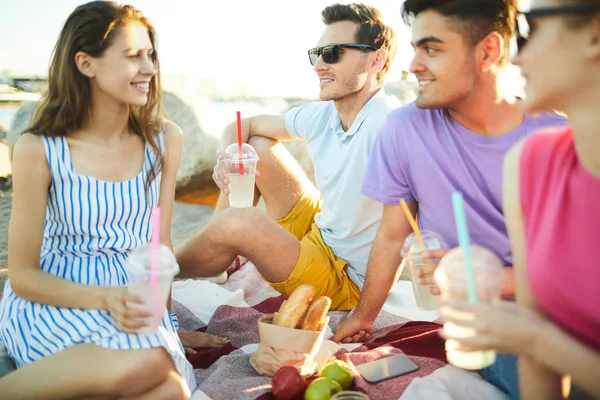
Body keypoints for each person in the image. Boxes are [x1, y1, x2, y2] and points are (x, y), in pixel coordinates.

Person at [0, 2, 224, 398]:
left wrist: (166, 320)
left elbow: (160, 246)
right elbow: (22, 275)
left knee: (172, 389)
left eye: (150, 55)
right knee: (153, 364)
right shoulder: (38, 148)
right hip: (57, 297)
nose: (150, 69)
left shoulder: (166, 140)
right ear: (86, 64)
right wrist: (107, 298)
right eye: (133, 56)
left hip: (134, 302)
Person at [331, 0, 566, 344]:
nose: (413, 66)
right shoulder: (403, 129)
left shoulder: (559, 140)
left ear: (487, 52)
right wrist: (363, 317)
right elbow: (393, 234)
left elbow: (583, 270)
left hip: (561, 314)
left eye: (431, 49)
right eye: (414, 49)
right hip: (480, 325)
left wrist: (492, 279)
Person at [175, 3, 400, 313]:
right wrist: (230, 159)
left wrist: (365, 315)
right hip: (320, 232)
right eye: (317, 53)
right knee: (255, 147)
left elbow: (404, 231)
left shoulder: (389, 127)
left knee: (242, 220)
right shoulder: (323, 115)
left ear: (376, 60)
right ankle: (217, 254)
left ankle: (156, 273)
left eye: (333, 53)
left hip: (345, 279)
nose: (319, 65)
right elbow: (242, 125)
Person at [438, 1, 600, 399]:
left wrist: (538, 341)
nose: (517, 54)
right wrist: (533, 341)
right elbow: (537, 364)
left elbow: (535, 340)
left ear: (595, 34)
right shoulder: (531, 164)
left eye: (529, 30)